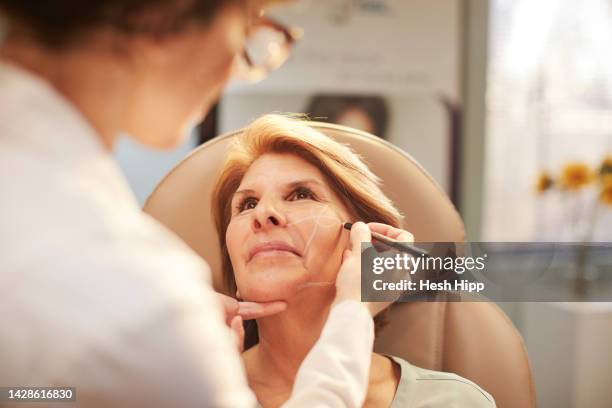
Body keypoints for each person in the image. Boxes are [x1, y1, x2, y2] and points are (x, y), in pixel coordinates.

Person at [0, 1, 392, 407]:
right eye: (248, 23)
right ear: (161, 13)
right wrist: (352, 314)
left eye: (301, 195)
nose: (264, 214)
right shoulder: (146, 308)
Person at [209, 114, 496, 407]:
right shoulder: (180, 392)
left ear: (367, 246)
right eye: (248, 204)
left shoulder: (456, 402)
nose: (263, 213)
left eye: (300, 194)